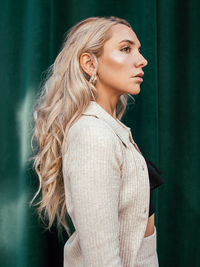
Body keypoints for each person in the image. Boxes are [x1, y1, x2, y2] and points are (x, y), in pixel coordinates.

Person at [30, 16, 164, 267]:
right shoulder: (92, 135)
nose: (142, 60)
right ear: (89, 63)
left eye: (139, 49)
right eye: (126, 49)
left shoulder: (109, 129)